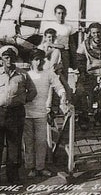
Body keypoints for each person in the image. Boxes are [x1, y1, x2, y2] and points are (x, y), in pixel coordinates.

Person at [24, 49, 67, 178]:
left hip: (41, 113)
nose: (39, 62)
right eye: (36, 59)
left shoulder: (49, 74)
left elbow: (59, 87)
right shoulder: (26, 75)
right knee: (28, 142)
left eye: (41, 59)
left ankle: (40, 167)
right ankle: (30, 168)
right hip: (26, 113)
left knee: (41, 141)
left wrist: (63, 97)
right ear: (31, 61)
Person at [0, 46, 37, 183]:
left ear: (16, 58)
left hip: (16, 113)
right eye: (6, 57)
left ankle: (13, 177)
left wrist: (21, 100)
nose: (9, 60)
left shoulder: (22, 74)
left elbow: (32, 91)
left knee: (14, 145)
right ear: (2, 59)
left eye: (11, 57)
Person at [43, 4, 78, 80]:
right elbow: (44, 40)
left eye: (63, 13)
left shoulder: (69, 27)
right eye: (58, 13)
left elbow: (72, 44)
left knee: (64, 75)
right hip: (52, 52)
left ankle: (64, 91)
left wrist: (74, 58)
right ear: (55, 14)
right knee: (51, 72)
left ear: (65, 14)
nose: (61, 15)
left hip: (65, 52)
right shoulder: (50, 25)